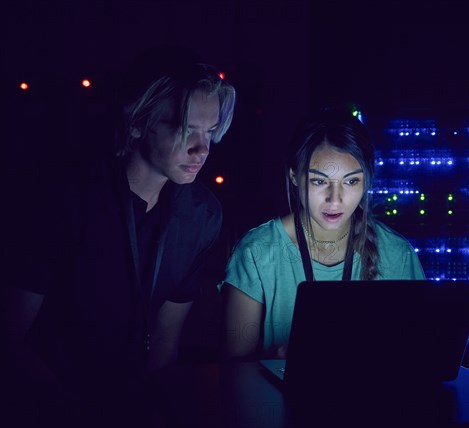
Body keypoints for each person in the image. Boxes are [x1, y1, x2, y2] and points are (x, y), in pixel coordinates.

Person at [1, 48, 236, 425]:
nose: (202, 149)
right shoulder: (67, 201)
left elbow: (165, 341)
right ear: (137, 122)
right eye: (184, 129)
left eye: (209, 132)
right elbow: (9, 339)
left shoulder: (202, 216)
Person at [219, 108, 425, 360]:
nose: (335, 200)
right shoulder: (257, 252)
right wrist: (279, 356)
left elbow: (417, 353)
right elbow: (233, 369)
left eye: (350, 182)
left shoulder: (397, 252)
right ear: (294, 176)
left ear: (366, 181)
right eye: (319, 181)